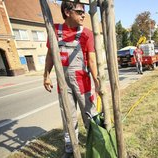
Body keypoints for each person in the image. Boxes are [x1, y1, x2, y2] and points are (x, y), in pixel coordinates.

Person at [43, 1, 99, 154]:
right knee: (68, 115)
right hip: (63, 82)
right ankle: (70, 147)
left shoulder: (86, 33)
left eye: (84, 11)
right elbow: (50, 55)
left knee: (89, 113)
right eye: (80, 11)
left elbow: (92, 60)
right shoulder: (54, 30)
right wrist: (46, 75)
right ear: (68, 12)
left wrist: (97, 81)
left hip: (82, 81)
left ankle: (95, 143)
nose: (83, 14)